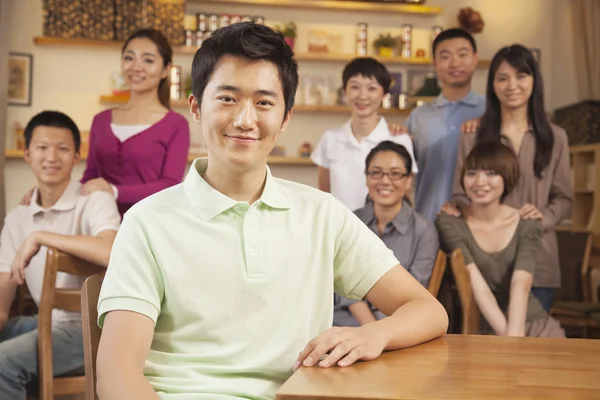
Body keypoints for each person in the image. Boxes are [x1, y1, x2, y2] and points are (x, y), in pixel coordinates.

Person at [95, 22, 448, 400]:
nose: (245, 119)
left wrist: (371, 334)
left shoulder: (322, 215)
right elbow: (118, 372)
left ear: (285, 118)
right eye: (227, 99)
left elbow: (427, 311)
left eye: (264, 102)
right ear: (196, 108)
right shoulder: (147, 222)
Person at [0, 111, 121, 399]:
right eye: (42, 148)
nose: (51, 157)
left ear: (77, 156)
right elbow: (3, 302)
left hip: (91, 327)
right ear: (27, 154)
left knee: (2, 362)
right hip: (44, 320)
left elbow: (112, 250)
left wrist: (41, 237)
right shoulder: (18, 218)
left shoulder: (94, 200)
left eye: (63, 148)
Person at [446, 45, 573, 312]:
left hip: (539, 261)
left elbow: (564, 198)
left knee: (529, 348)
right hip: (485, 263)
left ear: (534, 81)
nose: (511, 85)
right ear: (492, 85)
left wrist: (541, 218)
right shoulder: (472, 135)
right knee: (480, 348)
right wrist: (471, 211)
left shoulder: (555, 136)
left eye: (521, 76)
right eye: (502, 77)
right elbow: (459, 193)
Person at [437, 142, 565, 338]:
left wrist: (514, 338)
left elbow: (520, 286)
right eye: (471, 173)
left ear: (507, 178)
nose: (480, 182)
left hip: (531, 323)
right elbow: (479, 288)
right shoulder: (451, 222)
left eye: (491, 173)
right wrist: (510, 341)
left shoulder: (527, 223)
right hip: (483, 328)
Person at [334, 141, 439, 327]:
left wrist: (375, 334)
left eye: (395, 174)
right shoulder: (350, 220)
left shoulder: (424, 231)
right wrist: (369, 329)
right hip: (342, 321)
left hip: (394, 325)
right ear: (367, 178)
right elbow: (342, 286)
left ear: (408, 181)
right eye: (376, 172)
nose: (384, 181)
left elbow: (413, 296)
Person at [311, 57, 417, 211]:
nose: (362, 95)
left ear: (384, 95)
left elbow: (405, 194)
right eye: (355, 87)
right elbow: (323, 195)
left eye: (371, 88)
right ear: (344, 91)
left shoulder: (399, 139)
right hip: (340, 231)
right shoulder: (330, 138)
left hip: (383, 231)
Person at [402, 28, 485, 222]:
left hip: (480, 227)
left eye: (462, 54)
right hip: (427, 222)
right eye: (445, 56)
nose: (455, 63)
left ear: (475, 58)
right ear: (435, 63)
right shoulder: (418, 117)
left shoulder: (491, 112)